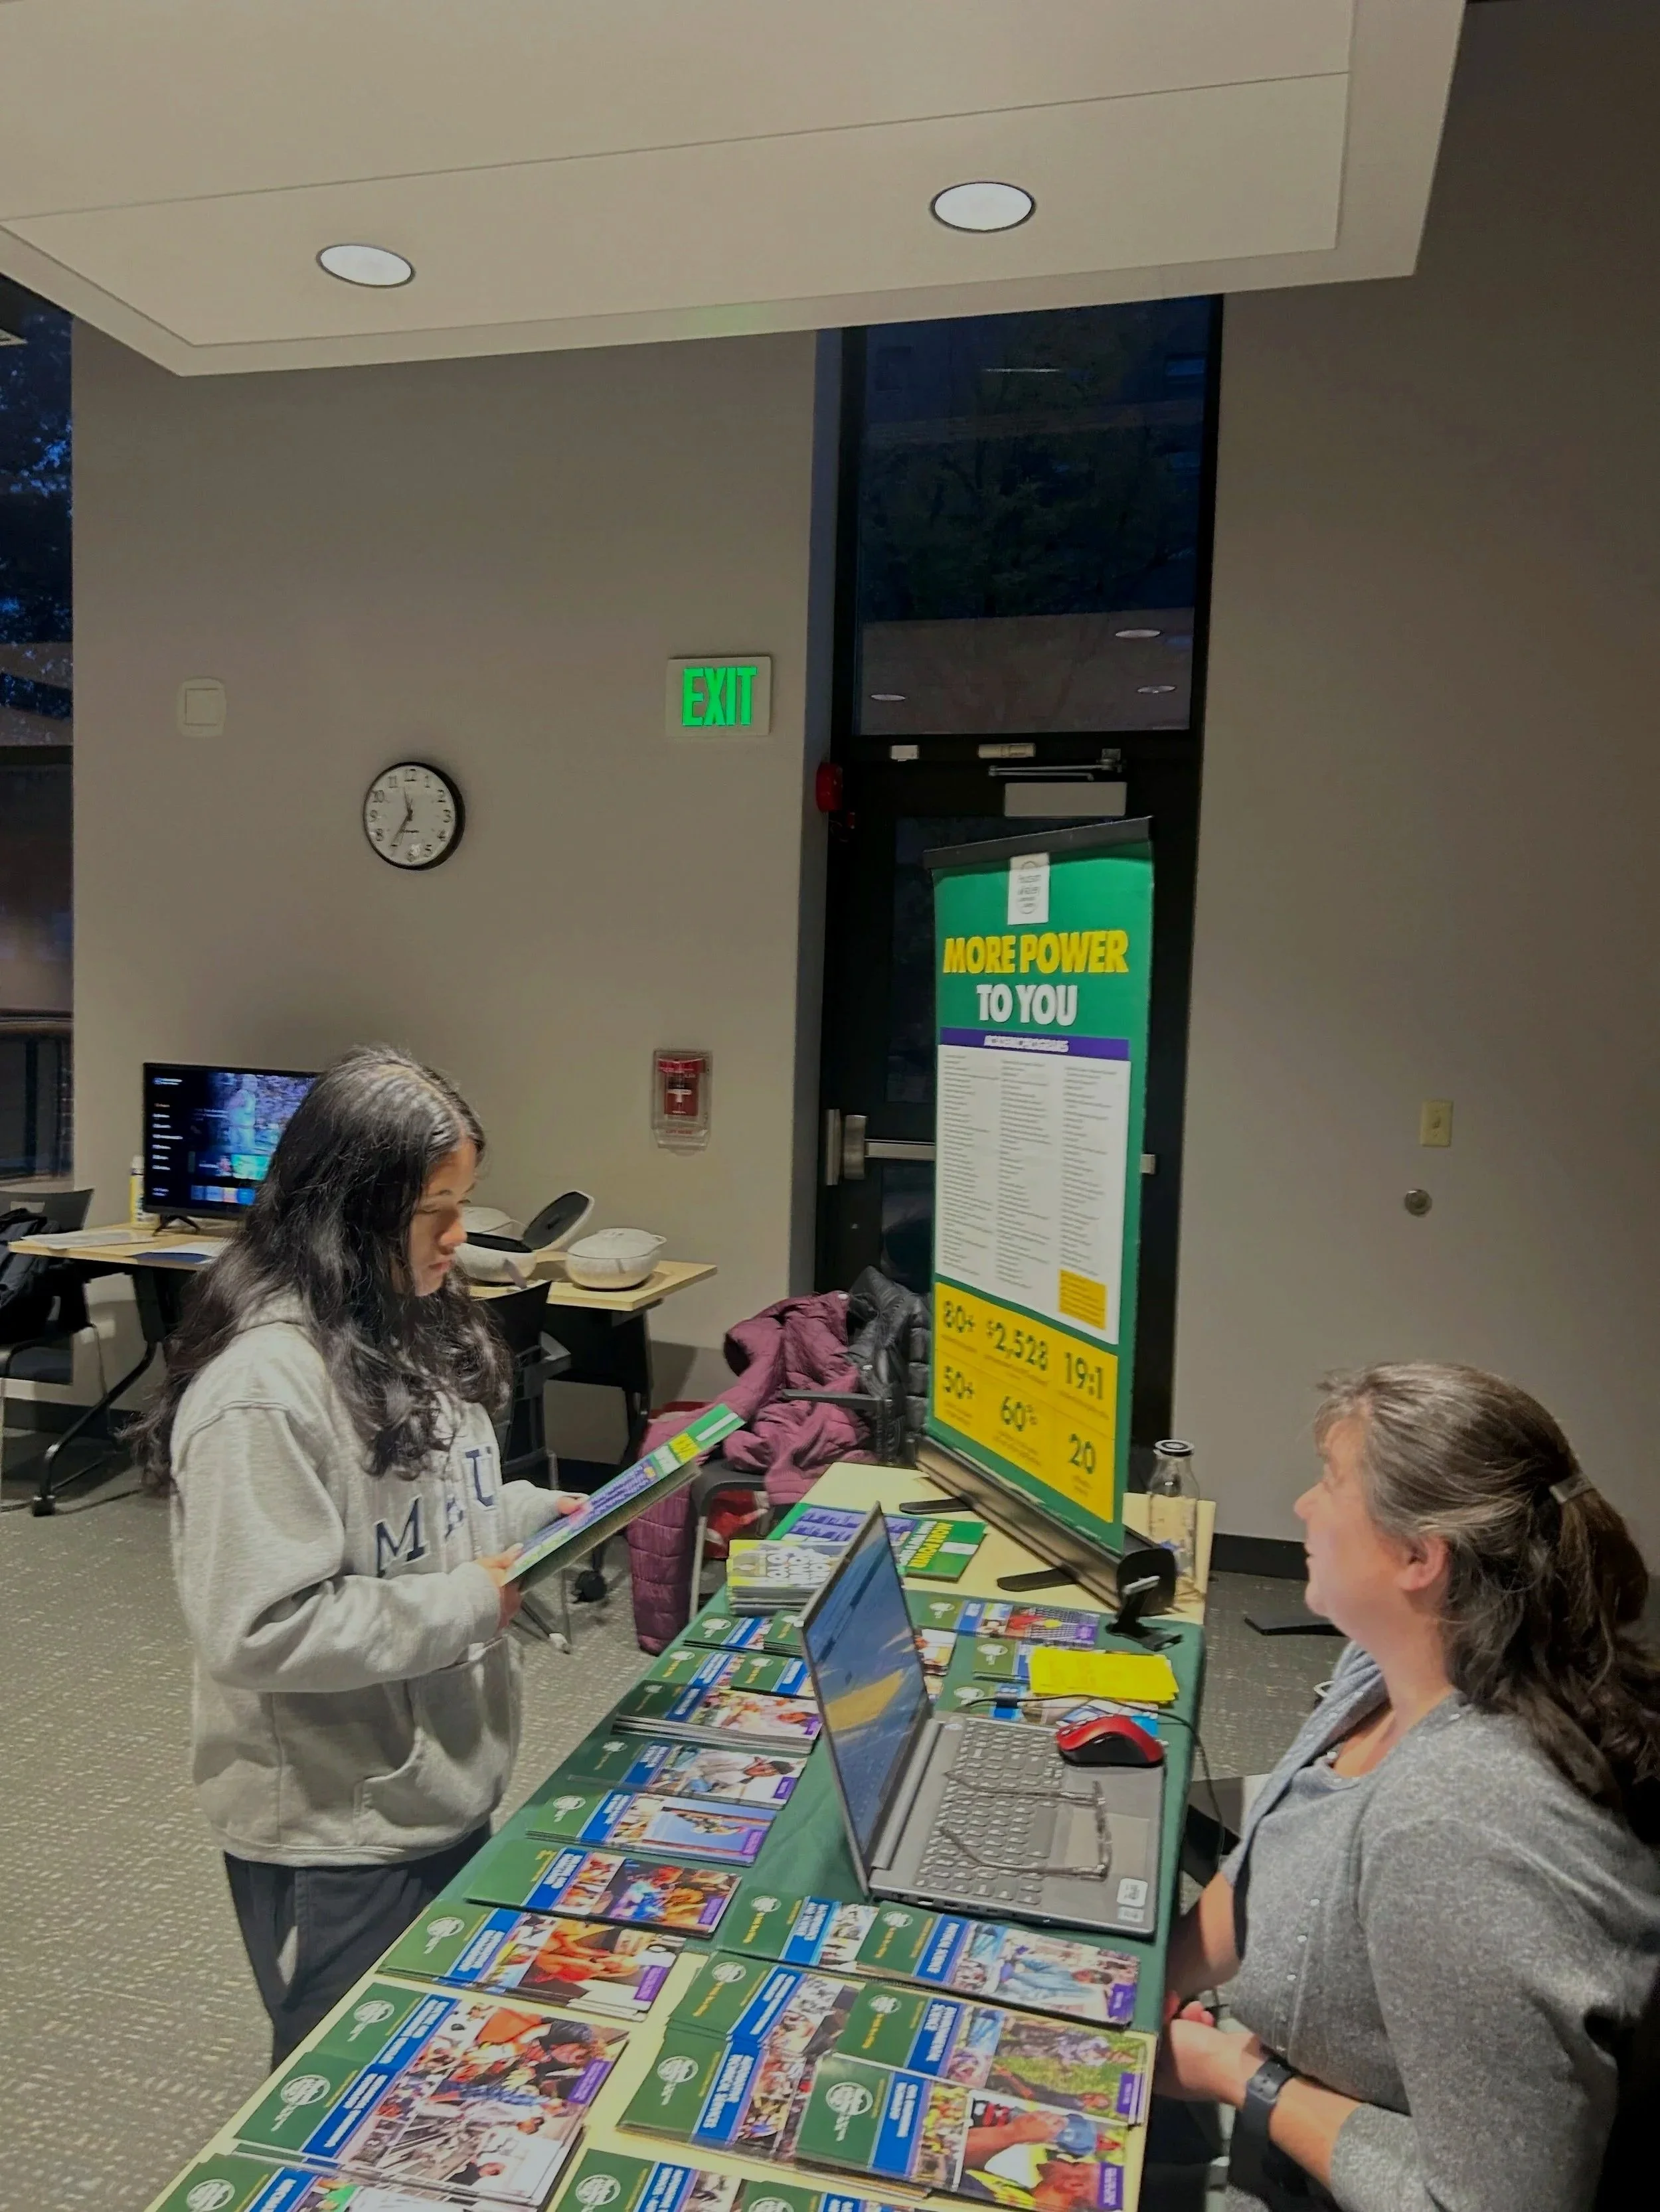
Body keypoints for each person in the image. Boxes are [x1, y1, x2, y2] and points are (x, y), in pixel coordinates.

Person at [139, 1046, 581, 2063]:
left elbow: (421, 1520)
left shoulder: (410, 1333)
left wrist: (526, 1519)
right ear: (353, 1211)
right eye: (437, 1211)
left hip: (443, 1792)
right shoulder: (263, 1390)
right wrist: (474, 1603)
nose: (459, 1236)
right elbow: (263, 1630)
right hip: (337, 1835)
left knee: (425, 2065)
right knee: (339, 2086)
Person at [1156, 1363, 1660, 2210]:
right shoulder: (1391, 1670)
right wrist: (1137, 1988)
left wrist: (1235, 2074)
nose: (1302, 1508)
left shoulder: (1459, 1831)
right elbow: (1269, 1867)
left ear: (1420, 1557)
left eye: (1329, 1484)